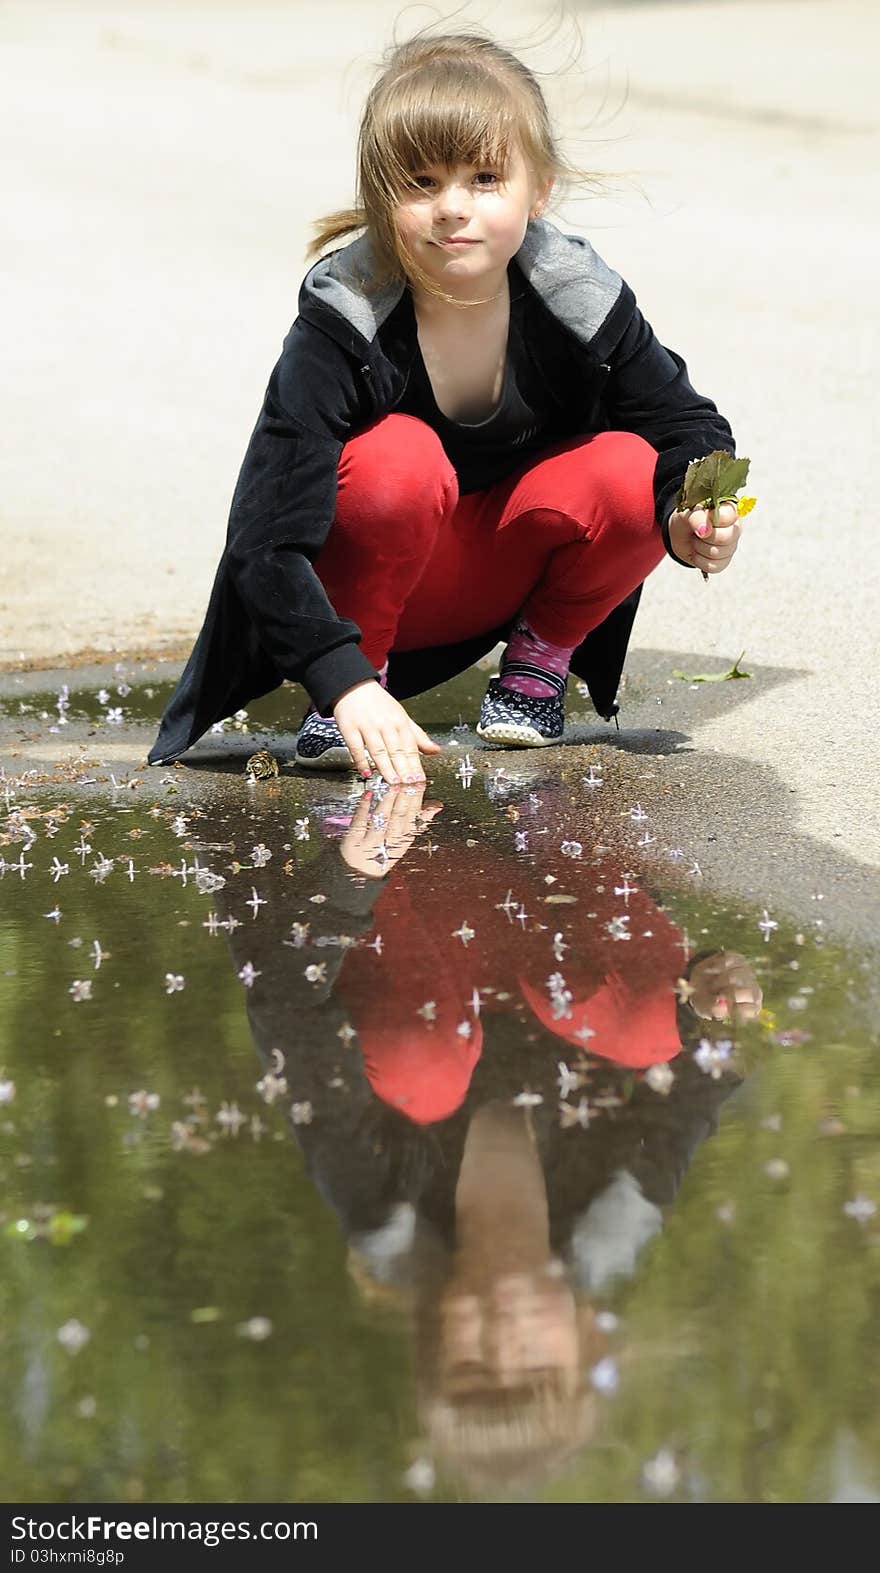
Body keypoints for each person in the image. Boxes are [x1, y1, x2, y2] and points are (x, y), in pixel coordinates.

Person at [148, 25, 745, 786]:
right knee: (397, 458)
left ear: (539, 189)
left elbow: (694, 428)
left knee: (636, 467)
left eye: (485, 179)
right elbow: (262, 541)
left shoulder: (581, 298)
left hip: (497, 577)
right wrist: (342, 677)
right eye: (421, 182)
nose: (451, 209)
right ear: (380, 196)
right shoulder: (343, 318)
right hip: (370, 597)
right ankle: (357, 693)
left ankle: (538, 668)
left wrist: (701, 514)